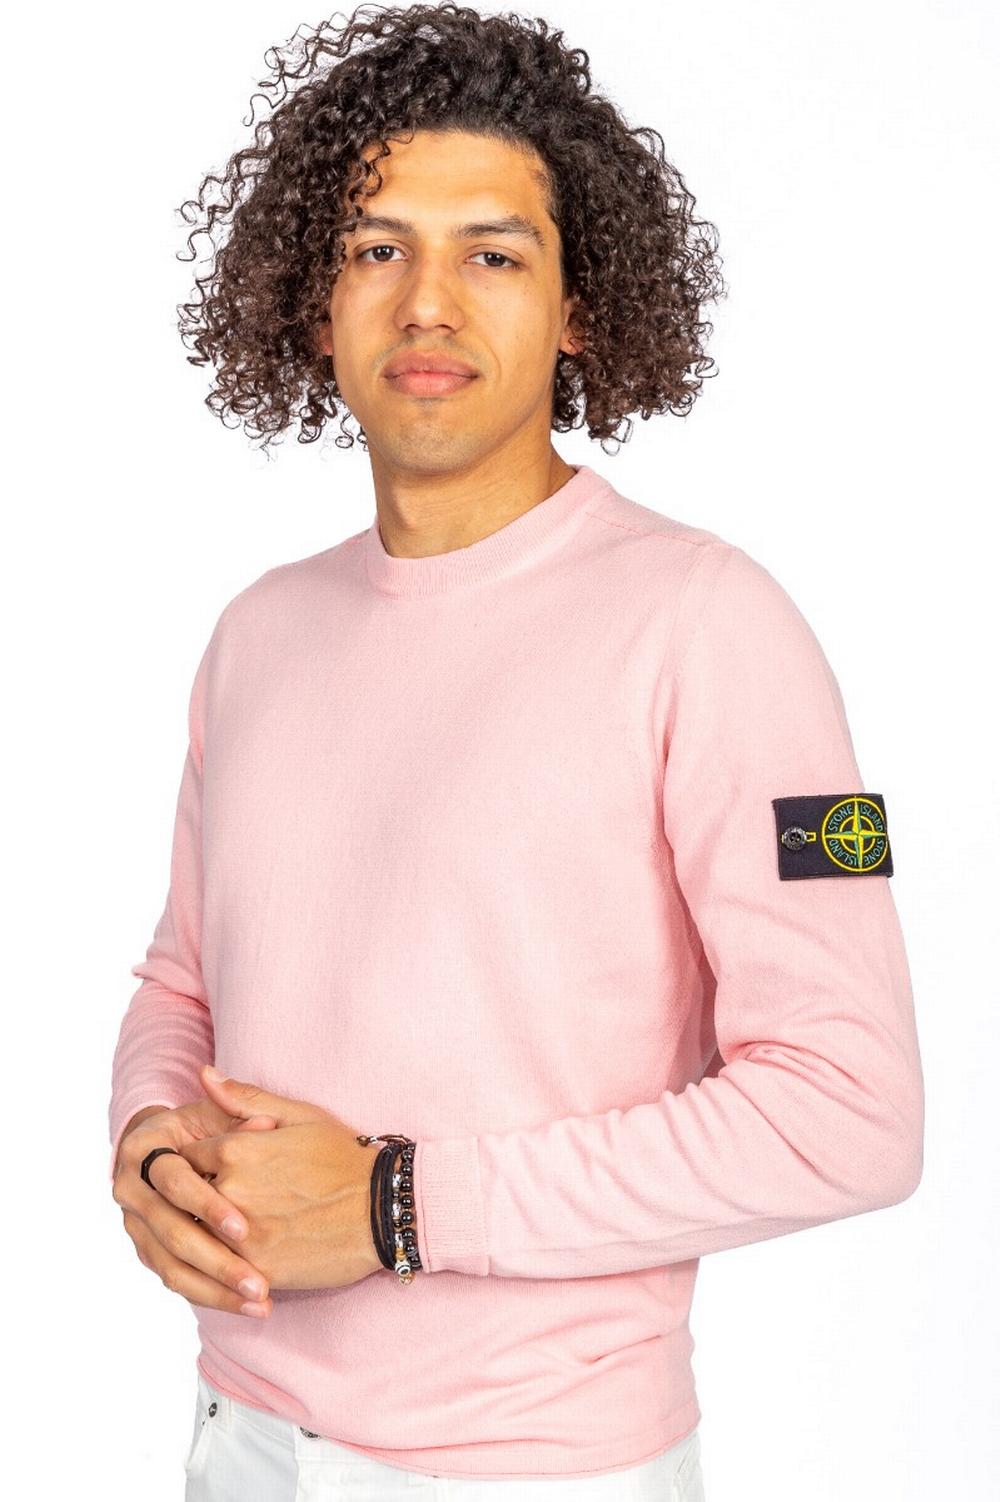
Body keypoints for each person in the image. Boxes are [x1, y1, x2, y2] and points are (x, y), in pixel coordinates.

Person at [107, 6, 924, 1499]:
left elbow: (851, 1109)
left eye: (492, 254)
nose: (427, 303)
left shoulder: (714, 626)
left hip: (539, 1471)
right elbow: (183, 984)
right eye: (377, 248)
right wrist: (154, 1140)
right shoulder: (257, 634)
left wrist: (400, 1204)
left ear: (577, 310)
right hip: (240, 1442)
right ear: (314, 302)